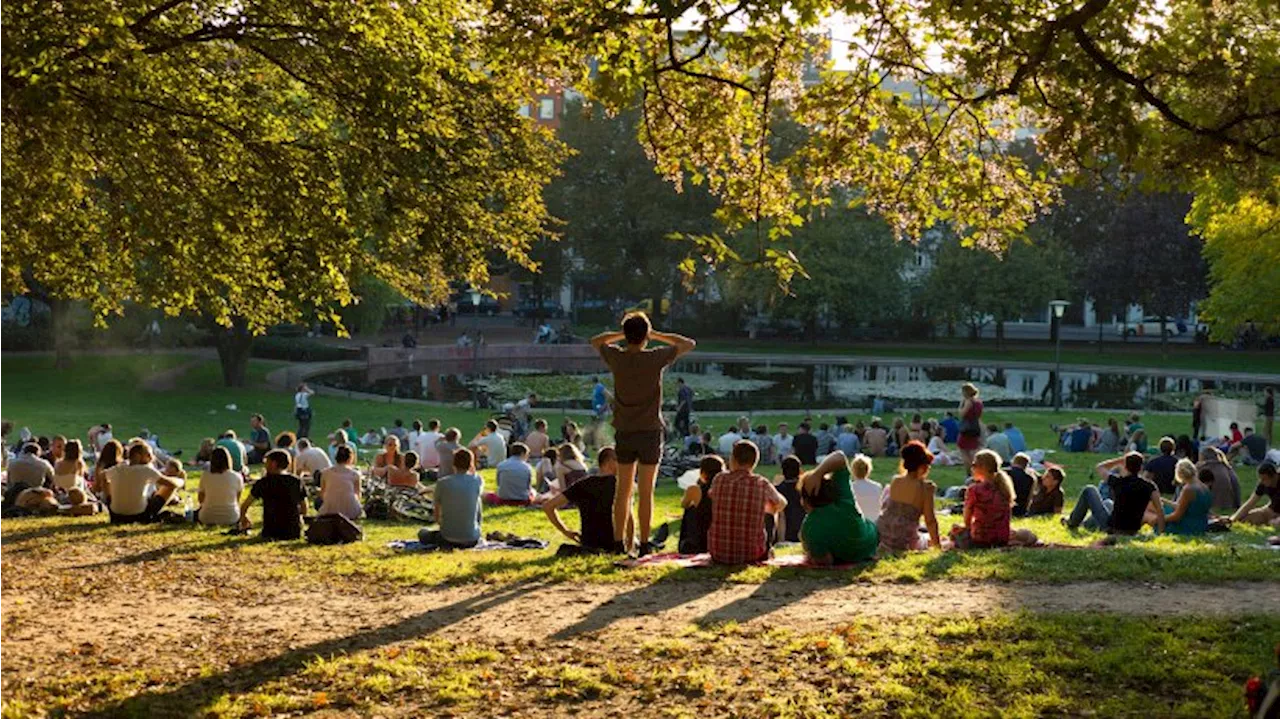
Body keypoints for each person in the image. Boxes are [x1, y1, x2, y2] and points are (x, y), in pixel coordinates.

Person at [591, 313, 696, 555]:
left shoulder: (617, 357)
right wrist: (655, 334)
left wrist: (623, 334)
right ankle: (645, 544)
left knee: (623, 491)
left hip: (625, 432)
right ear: (645, 336)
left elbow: (596, 341)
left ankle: (619, 543)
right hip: (649, 432)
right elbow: (688, 343)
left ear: (627, 335)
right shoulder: (655, 358)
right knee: (646, 492)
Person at [707, 441, 787, 564]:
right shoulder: (761, 483)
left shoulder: (719, 479)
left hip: (718, 553)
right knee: (771, 507)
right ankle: (768, 547)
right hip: (751, 554)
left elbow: (712, 497)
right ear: (754, 462)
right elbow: (782, 503)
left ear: (732, 458)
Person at [544, 447, 632, 553]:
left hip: (589, 543)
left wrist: (565, 531)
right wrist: (630, 545)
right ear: (609, 461)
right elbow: (629, 517)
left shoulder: (583, 484)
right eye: (620, 461)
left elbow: (548, 506)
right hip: (614, 543)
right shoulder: (620, 485)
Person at [797, 450, 879, 564]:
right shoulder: (844, 499)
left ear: (805, 500)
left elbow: (825, 561)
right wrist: (818, 473)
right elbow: (840, 457)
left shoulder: (810, 527)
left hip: (845, 556)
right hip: (869, 543)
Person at [1064, 452, 1163, 535]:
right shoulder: (1149, 486)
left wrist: (1120, 459)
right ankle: (1084, 524)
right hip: (1132, 530)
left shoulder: (1118, 482)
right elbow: (1160, 509)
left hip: (1112, 528)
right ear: (1141, 467)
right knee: (1108, 503)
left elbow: (1100, 467)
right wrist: (1160, 532)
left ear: (1125, 466)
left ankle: (1072, 522)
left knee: (1089, 490)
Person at [961, 450, 1038, 548]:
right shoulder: (1004, 489)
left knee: (955, 532)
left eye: (974, 465)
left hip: (981, 538)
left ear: (982, 467)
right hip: (1002, 538)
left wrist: (966, 529)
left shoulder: (974, 490)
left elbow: (967, 518)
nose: (972, 468)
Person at [876, 441, 942, 553]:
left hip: (882, 533)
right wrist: (938, 546)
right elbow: (930, 520)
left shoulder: (895, 481)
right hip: (904, 540)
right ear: (923, 466)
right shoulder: (925, 488)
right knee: (930, 540)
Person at [238, 449, 307, 540]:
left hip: (270, 532)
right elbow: (304, 507)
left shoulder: (263, 483)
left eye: (266, 462)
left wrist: (244, 518)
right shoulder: (296, 481)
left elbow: (245, 505)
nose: (264, 465)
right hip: (293, 532)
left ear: (273, 464)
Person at [421, 448, 484, 548]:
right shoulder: (477, 481)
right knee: (478, 499)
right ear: (471, 464)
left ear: (453, 463)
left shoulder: (442, 483)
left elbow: (437, 516)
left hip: (447, 537)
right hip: (472, 539)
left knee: (423, 533)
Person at [104, 442, 175, 524]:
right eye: (148, 455)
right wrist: (180, 480)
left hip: (116, 515)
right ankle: (150, 516)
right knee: (169, 487)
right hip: (139, 515)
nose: (152, 458)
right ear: (138, 456)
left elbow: (102, 477)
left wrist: (109, 497)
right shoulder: (145, 470)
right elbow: (170, 484)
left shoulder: (118, 468)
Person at [678, 455, 725, 554]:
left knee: (690, 509)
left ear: (702, 472)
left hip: (700, 542)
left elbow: (684, 504)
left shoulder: (694, 489)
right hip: (720, 539)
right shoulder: (725, 489)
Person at [1155, 460, 1214, 536]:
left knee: (1157, 510)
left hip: (1188, 528)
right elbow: (1184, 506)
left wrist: (1159, 519)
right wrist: (1163, 500)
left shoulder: (1188, 489)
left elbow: (1177, 516)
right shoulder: (1204, 487)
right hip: (1201, 525)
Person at [197, 447, 244, 527]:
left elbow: (201, 499)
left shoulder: (205, 475)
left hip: (206, 517)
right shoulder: (236, 476)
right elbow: (237, 499)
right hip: (231, 517)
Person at [1227, 462, 1280, 528]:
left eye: (1264, 479)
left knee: (1276, 523)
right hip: (1270, 510)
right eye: (1261, 479)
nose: (1262, 481)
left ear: (1274, 476)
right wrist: (1233, 519)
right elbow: (1250, 503)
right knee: (1245, 519)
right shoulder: (1262, 484)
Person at [319, 446, 363, 520]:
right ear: (350, 459)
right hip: (350, 510)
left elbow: (322, 493)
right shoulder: (355, 474)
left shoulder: (325, 473)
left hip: (330, 510)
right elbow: (358, 494)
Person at [1197, 447, 1242, 512]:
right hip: (1229, 505)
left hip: (1210, 507)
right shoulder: (1228, 469)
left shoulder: (1200, 469)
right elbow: (1236, 489)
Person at [773, 455, 806, 543]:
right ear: (800, 471)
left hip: (785, 534)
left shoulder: (777, 490)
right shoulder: (805, 489)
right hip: (804, 530)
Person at [848, 453, 883, 522]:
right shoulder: (877, 487)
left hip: (858, 524)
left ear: (853, 470)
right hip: (874, 522)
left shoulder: (850, 488)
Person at [956, 383, 984, 468]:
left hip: (967, 428)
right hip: (975, 427)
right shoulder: (979, 403)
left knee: (963, 450)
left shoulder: (968, 402)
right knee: (973, 449)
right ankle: (975, 468)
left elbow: (962, 414)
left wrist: (961, 406)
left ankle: (969, 470)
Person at [1006, 453, 1036, 517]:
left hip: (1005, 508)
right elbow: (1029, 498)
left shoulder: (1005, 473)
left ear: (1014, 461)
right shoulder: (1030, 479)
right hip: (1020, 511)